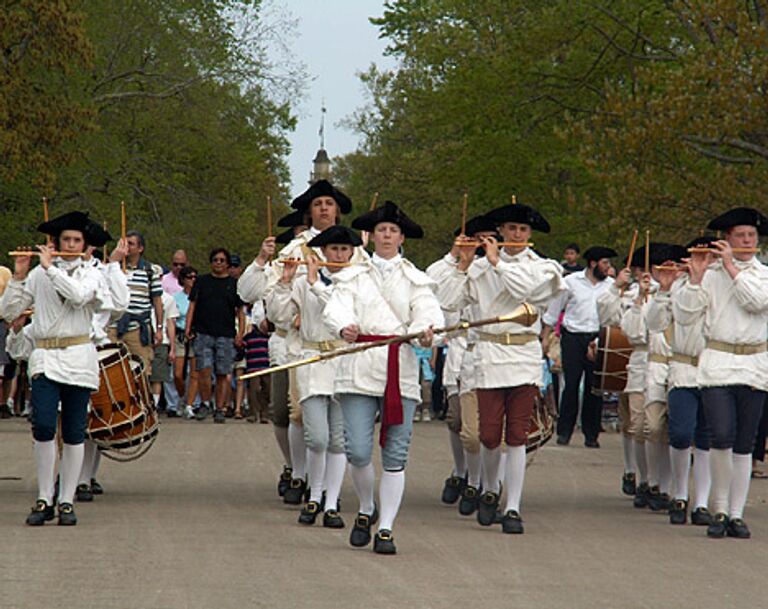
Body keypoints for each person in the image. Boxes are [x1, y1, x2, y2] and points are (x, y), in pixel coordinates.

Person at [435, 201, 563, 535]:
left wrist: (497, 264)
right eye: (511, 229)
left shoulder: (545, 268)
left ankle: (513, 507)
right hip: (488, 357)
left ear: (529, 234)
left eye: (522, 230)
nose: (517, 235)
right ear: (501, 232)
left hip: (523, 357)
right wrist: (463, 265)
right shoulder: (479, 268)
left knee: (516, 436)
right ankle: (491, 488)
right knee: (489, 436)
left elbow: (523, 293)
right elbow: (448, 302)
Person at [323, 201, 444, 553]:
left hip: (399, 368)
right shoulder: (352, 275)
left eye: (393, 230)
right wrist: (343, 325)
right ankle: (366, 507)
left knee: (395, 453)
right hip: (359, 364)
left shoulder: (417, 279)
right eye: (381, 230)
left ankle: (387, 527)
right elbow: (336, 305)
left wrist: (426, 332)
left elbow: (428, 314)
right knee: (358, 451)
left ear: (402, 236)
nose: (387, 235)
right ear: (371, 236)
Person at [0, 211, 110, 526]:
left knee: (75, 431)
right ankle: (44, 497)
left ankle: (66, 500)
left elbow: (77, 297)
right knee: (44, 426)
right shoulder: (38, 274)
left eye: (77, 240)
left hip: (78, 355)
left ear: (85, 245)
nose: (71, 245)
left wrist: (49, 269)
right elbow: (8, 311)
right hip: (46, 358)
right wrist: (20, 277)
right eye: (66, 240)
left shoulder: (92, 274)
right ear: (55, 242)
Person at [677, 207, 768, 539]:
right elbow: (686, 318)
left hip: (755, 366)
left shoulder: (763, 274)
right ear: (726, 239)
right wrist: (696, 279)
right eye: (740, 236)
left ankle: (736, 514)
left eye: (752, 236)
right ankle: (718, 508)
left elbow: (756, 302)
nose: (747, 241)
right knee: (722, 436)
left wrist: (730, 266)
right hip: (717, 363)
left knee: (745, 443)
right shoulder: (711, 274)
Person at [268, 225, 362, 528]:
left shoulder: (359, 283)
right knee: (317, 436)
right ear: (323, 251)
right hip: (310, 358)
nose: (338, 254)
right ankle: (314, 493)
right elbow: (279, 316)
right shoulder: (302, 281)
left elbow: (343, 316)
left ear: (352, 253)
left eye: (344, 250)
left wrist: (315, 284)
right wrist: (284, 284)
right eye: (333, 249)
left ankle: (331, 503)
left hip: (343, 361)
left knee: (337, 439)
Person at [427, 214, 499, 514]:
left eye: (486, 239)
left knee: (488, 427)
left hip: (490, 351)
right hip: (458, 348)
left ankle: (485, 481)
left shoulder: (496, 268)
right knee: (457, 421)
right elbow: (441, 305)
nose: (479, 245)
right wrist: (459, 263)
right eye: (473, 238)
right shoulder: (441, 269)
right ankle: (462, 472)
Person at [646, 237, 714, 526]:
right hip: (683, 368)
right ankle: (679, 493)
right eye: (696, 256)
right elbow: (654, 324)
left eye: (707, 256)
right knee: (680, 434)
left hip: (714, 369)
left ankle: (701, 503)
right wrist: (663, 288)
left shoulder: (722, 285)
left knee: (706, 439)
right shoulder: (677, 287)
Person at [543, 246, 616, 448]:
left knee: (595, 387)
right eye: (605, 263)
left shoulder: (611, 286)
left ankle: (591, 434)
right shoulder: (570, 282)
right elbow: (554, 309)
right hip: (573, 336)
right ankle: (564, 431)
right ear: (593, 264)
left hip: (598, 336)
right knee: (571, 384)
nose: (608, 267)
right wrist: (545, 336)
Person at [185, 248, 245, 424]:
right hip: (203, 332)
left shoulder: (234, 285)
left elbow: (241, 311)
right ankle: (204, 403)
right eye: (215, 260)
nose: (218, 263)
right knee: (203, 370)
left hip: (226, 334)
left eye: (222, 260)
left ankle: (219, 407)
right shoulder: (202, 281)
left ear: (227, 264)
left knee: (222, 372)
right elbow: (192, 306)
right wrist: (188, 327)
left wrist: (240, 333)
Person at [109, 230, 163, 373]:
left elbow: (157, 301)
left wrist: (158, 329)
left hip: (138, 329)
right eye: (124, 243)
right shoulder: (113, 268)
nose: (126, 247)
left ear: (140, 248)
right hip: (114, 327)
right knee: (113, 369)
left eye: (131, 244)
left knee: (142, 369)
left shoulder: (150, 271)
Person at [172, 265, 199, 419]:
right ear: (183, 279)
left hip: (196, 336)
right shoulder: (176, 298)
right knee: (178, 374)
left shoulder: (200, 297)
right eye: (189, 277)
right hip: (180, 336)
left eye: (195, 277)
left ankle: (189, 405)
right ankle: (182, 397)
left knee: (195, 373)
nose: (192, 280)